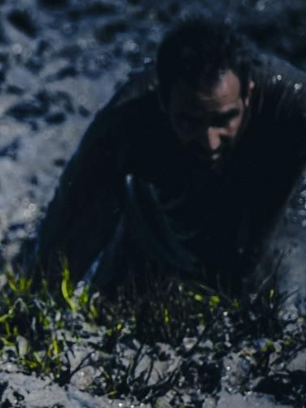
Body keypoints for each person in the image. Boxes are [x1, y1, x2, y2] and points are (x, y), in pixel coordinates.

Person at [26, 19, 306, 312]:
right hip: (154, 244)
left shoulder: (292, 104)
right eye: (190, 121)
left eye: (223, 119)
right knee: (102, 316)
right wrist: (33, 312)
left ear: (248, 94)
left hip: (264, 244)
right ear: (162, 100)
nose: (209, 141)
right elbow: (63, 241)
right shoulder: (126, 121)